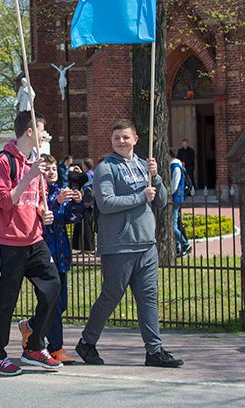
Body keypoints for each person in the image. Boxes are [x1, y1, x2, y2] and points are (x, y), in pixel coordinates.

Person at [75, 119, 183, 368]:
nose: (121, 142)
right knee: (111, 296)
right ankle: (87, 342)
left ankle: (154, 351)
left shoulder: (143, 165)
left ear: (135, 139)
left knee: (148, 298)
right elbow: (106, 203)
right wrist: (139, 197)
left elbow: (162, 201)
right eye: (116, 138)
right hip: (119, 245)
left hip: (146, 244)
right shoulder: (106, 168)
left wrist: (155, 177)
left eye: (125, 137)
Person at [0, 111, 61, 376]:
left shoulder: (36, 162)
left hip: (34, 238)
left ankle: (34, 343)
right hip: (8, 241)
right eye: (42, 130)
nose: (44, 135)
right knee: (4, 301)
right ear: (30, 132)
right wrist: (29, 175)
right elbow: (5, 202)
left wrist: (44, 211)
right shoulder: (4, 162)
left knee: (53, 288)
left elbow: (37, 199)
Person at [21, 154, 83, 364]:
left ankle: (31, 325)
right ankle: (55, 347)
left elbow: (70, 219)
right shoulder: (37, 194)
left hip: (61, 254)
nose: (51, 172)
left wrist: (76, 203)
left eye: (54, 169)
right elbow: (44, 218)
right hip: (44, 254)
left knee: (61, 303)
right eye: (46, 169)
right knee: (53, 303)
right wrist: (55, 203)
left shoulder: (59, 192)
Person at [169, 150, 191, 257]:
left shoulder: (176, 167)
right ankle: (177, 247)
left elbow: (175, 184)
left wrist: (169, 192)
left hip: (176, 198)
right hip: (176, 198)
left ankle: (185, 244)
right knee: (175, 223)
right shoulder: (176, 166)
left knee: (173, 226)